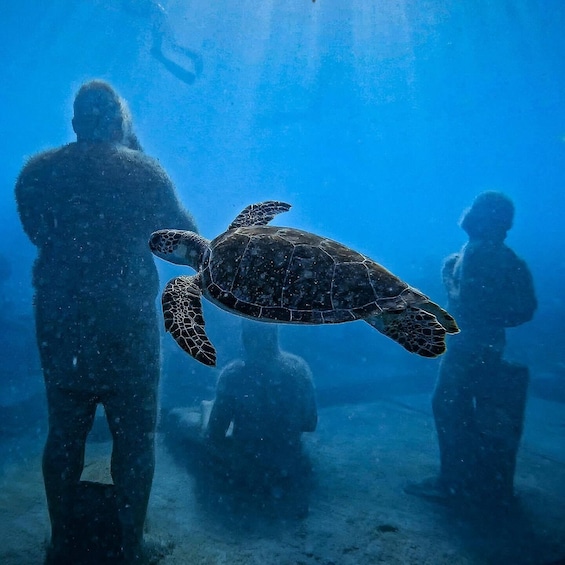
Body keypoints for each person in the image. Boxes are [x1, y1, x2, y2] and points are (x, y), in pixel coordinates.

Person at [15, 80, 198, 563]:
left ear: (75, 123)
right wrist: (132, 153)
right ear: (119, 123)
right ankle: (131, 546)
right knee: (134, 440)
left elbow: (38, 235)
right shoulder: (144, 173)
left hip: (62, 323)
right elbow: (188, 245)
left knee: (64, 434)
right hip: (126, 325)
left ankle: (60, 542)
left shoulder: (36, 174)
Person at [406, 191, 537, 507]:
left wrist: (453, 279)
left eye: (476, 211)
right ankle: (482, 482)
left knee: (449, 407)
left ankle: (454, 482)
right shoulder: (505, 257)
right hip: (488, 343)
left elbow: (473, 302)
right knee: (479, 411)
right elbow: (526, 308)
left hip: (468, 345)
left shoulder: (479, 253)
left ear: (482, 219)